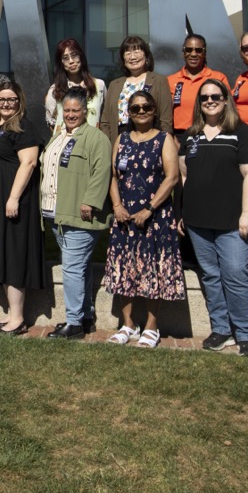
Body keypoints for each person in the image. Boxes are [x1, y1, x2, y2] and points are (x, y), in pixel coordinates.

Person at [178, 78, 248, 356]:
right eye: (205, 97)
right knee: (211, 276)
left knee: (235, 274)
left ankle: (246, 334)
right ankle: (221, 330)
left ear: (226, 100)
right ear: (199, 104)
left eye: (216, 96)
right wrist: (182, 213)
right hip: (197, 220)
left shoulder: (241, 132)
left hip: (232, 220)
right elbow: (184, 176)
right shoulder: (190, 136)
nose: (210, 100)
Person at [104, 90, 184, 348]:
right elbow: (113, 176)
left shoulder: (164, 139)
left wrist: (149, 208)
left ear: (154, 111)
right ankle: (128, 323)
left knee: (153, 269)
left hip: (155, 216)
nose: (141, 111)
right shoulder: (122, 139)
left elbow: (172, 178)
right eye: (135, 108)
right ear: (129, 112)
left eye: (146, 107)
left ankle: (151, 326)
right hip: (124, 216)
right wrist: (116, 205)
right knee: (124, 268)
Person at [40, 90, 111, 340]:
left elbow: (102, 172)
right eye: (66, 110)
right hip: (55, 213)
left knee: (71, 268)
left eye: (75, 110)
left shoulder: (96, 138)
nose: (70, 114)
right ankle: (85, 315)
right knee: (79, 267)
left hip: (79, 214)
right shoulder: (58, 137)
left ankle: (74, 323)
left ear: (86, 112)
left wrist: (90, 202)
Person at [0, 81, 44, 334]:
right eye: (1, 99)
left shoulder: (24, 126)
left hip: (12, 200)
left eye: (11, 99)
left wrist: (13, 198)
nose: (6, 103)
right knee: (1, 252)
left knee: (13, 253)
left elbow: (29, 163)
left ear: (19, 102)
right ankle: (10, 315)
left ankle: (18, 318)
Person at [99, 35, 174, 142]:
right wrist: (108, 143)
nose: (132, 57)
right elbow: (105, 121)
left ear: (146, 56)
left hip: (150, 138)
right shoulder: (114, 85)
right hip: (118, 139)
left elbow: (166, 120)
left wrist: (163, 143)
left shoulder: (159, 81)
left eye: (137, 52)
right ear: (123, 59)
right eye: (128, 53)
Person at [168, 33, 229, 133]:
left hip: (209, 133)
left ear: (204, 53)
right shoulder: (170, 80)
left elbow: (228, 109)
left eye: (198, 50)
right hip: (178, 136)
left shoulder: (218, 78)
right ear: (183, 53)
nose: (193, 54)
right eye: (188, 50)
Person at [44, 37, 106, 136]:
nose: (71, 61)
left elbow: (104, 117)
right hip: (64, 144)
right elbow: (52, 123)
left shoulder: (99, 85)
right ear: (61, 63)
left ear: (81, 57)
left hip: (92, 142)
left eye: (74, 55)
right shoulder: (55, 90)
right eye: (65, 58)